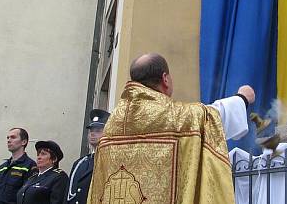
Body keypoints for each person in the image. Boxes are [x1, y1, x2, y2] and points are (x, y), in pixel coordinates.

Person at [88, 53, 255, 204]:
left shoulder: (112, 124)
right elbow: (211, 116)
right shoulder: (176, 117)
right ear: (165, 79)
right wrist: (242, 98)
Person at [67, 109, 110, 204]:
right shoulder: (80, 163)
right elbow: (68, 196)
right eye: (91, 130)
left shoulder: (109, 161)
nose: (92, 134)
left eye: (98, 130)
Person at [0, 128, 37, 204]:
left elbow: (28, 195)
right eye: (8, 138)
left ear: (24, 142)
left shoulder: (30, 165)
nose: (9, 140)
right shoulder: (2, 167)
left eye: (13, 137)